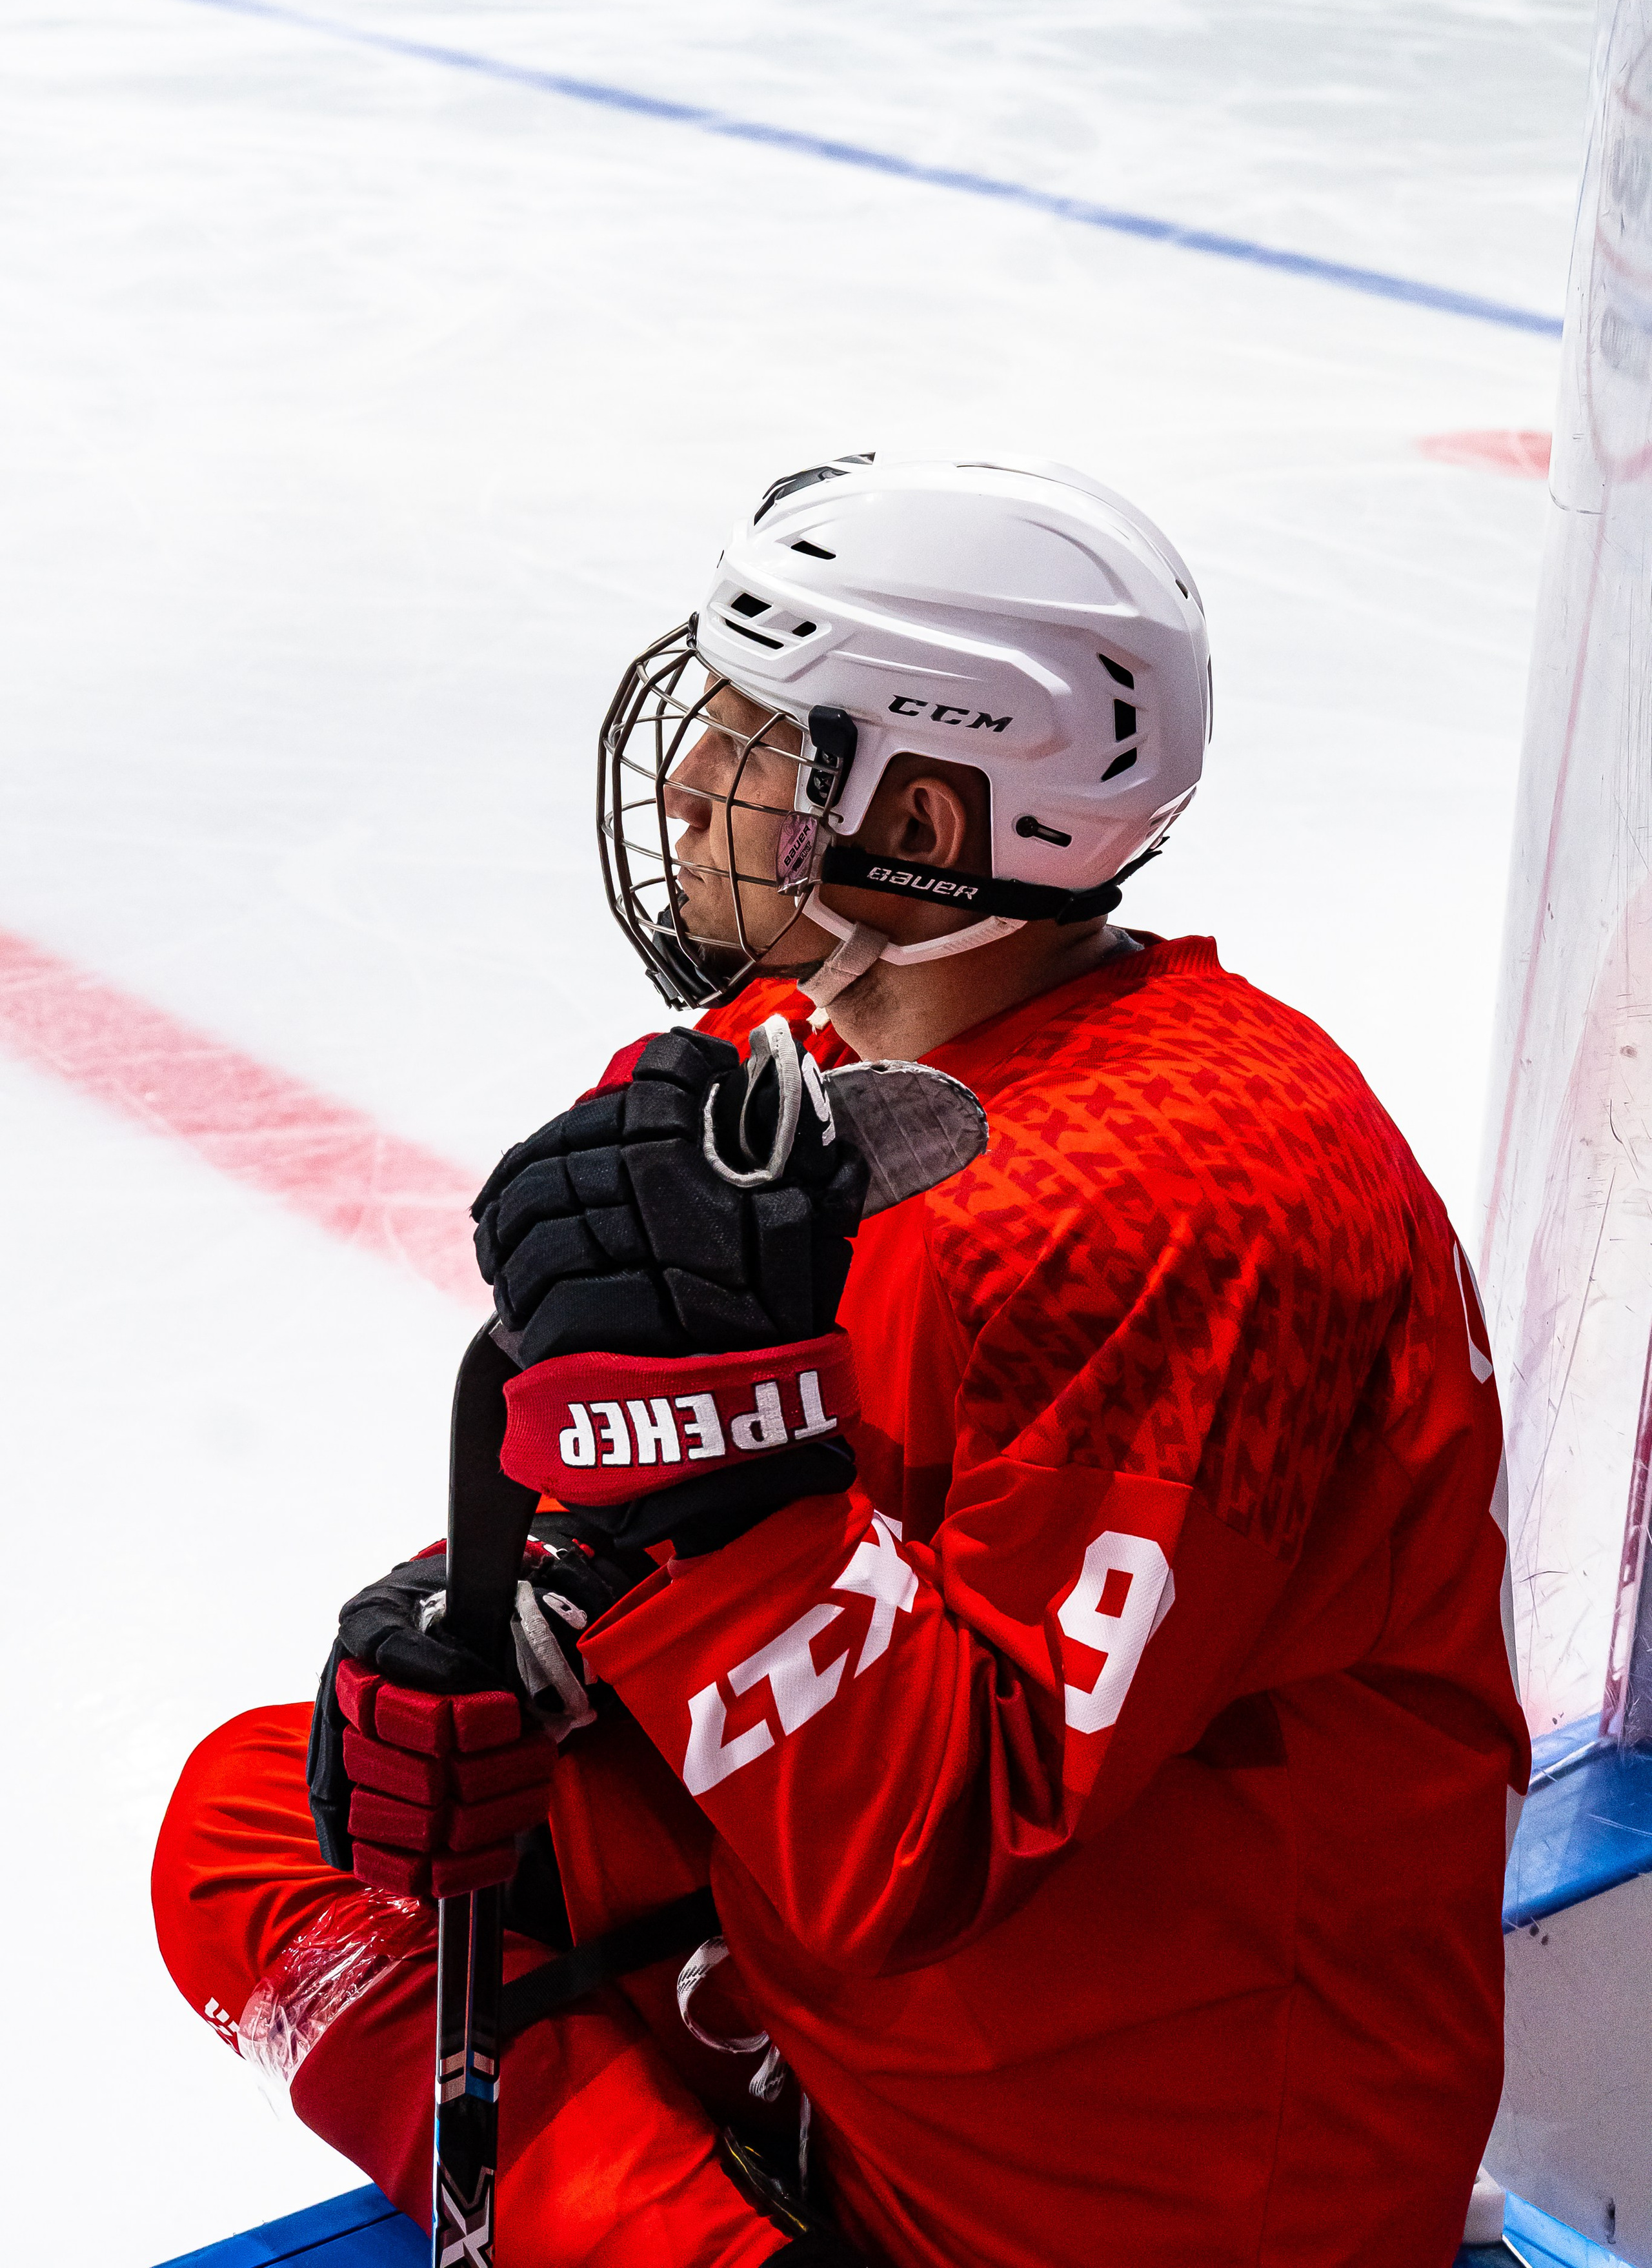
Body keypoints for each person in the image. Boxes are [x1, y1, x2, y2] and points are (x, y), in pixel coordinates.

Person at [153, 455, 1528, 2268]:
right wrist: (484, 1633)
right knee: (262, 1816)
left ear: (941, 815)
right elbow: (660, 1527)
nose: (693, 781)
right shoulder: (777, 1059)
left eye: (763, 739)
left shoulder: (1184, 1203)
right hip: (883, 2006)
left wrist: (709, 1492)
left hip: (1150, 2173)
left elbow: (922, 1852)